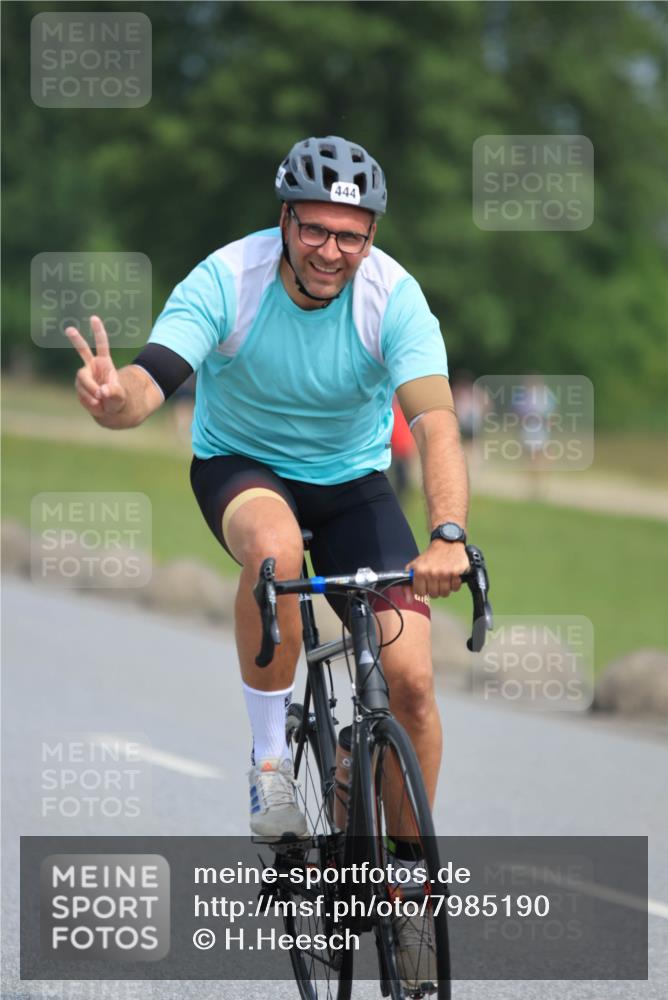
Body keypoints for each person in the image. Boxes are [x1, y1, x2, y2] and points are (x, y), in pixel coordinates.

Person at [66, 135, 469, 988]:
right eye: (316, 230)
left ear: (370, 236)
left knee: (414, 684)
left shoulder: (392, 295)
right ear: (285, 221)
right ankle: (268, 767)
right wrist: (114, 401)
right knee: (277, 554)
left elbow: (434, 423)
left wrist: (447, 534)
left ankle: (401, 880)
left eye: (351, 235)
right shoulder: (228, 279)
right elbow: (152, 377)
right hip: (241, 466)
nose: (332, 251)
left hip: (354, 484)